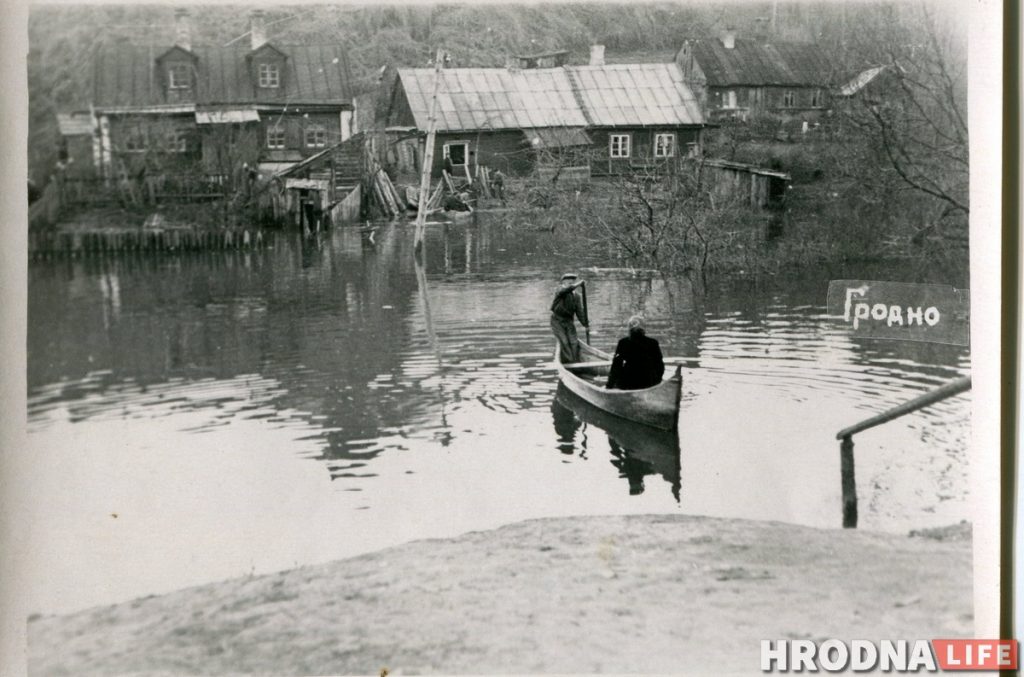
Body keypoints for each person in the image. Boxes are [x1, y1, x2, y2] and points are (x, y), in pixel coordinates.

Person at [606, 315, 664, 390]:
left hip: (628, 383)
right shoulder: (653, 343)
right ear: (643, 329)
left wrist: (609, 385)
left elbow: (616, 366)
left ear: (629, 328)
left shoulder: (623, 343)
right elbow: (659, 366)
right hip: (648, 382)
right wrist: (657, 382)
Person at [550, 273, 588, 363]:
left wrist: (585, 324)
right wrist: (578, 284)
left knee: (574, 342)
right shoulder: (559, 289)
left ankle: (575, 361)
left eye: (572, 281)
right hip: (557, 320)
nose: (571, 283)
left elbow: (580, 312)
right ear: (564, 282)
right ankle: (568, 362)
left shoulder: (577, 296)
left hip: (569, 321)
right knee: (564, 342)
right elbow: (566, 290)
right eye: (568, 282)